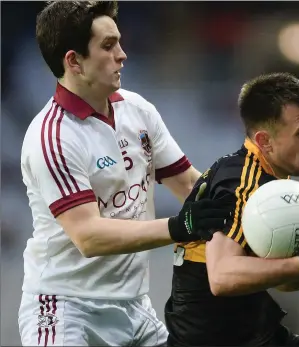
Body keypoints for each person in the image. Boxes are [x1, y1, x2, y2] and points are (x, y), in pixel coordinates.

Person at [18, 1, 232, 346]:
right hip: (66, 309)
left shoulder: (137, 110)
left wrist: (256, 217)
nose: (123, 54)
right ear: (73, 61)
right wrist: (179, 227)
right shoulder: (53, 136)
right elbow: (89, 236)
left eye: (118, 42)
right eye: (107, 45)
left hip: (133, 309)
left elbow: (192, 186)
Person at [165, 72, 299, 347]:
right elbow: (222, 277)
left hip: (246, 330)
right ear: (265, 141)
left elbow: (277, 279)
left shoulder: (267, 177)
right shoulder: (243, 183)